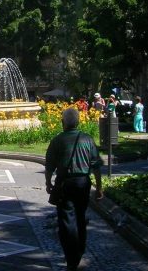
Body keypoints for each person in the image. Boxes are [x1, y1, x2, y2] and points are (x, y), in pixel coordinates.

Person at [45, 107, 103, 271]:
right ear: (78, 122)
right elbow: (96, 165)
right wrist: (99, 187)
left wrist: (48, 182)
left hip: (65, 184)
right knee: (81, 216)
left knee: (67, 220)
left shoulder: (57, 140)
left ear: (63, 122)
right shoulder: (87, 139)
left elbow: (49, 165)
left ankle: (72, 259)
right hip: (83, 183)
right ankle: (80, 250)